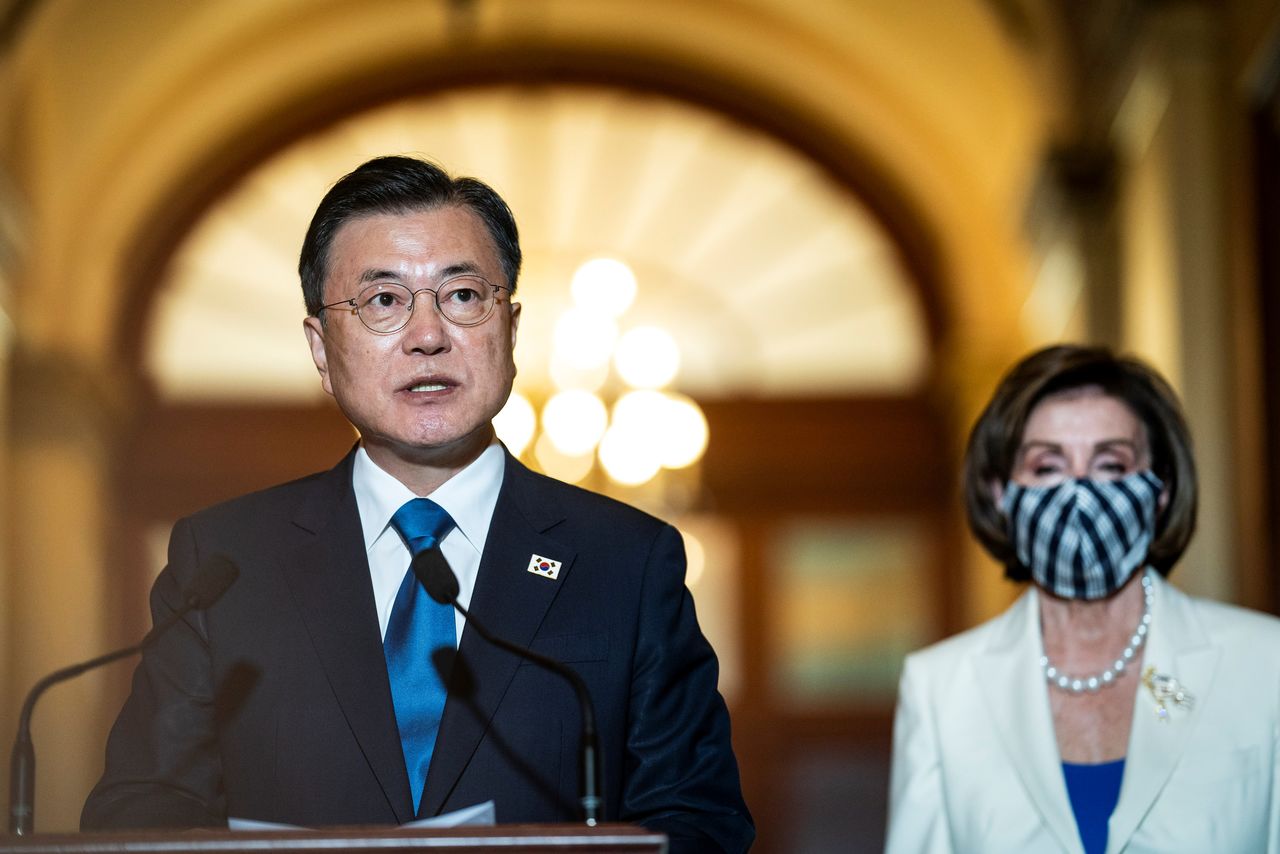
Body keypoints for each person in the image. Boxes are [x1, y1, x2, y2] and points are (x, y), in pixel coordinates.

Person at [81, 155, 754, 853]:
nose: (428, 335)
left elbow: (700, 821)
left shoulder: (627, 561)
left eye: (462, 296)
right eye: (383, 301)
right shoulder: (225, 563)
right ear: (320, 346)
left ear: (511, 329)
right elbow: (140, 810)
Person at [885, 344, 1280, 853]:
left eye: (1110, 465)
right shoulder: (941, 691)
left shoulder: (1264, 664)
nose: (1078, 492)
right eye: (1047, 467)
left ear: (1159, 490)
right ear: (1001, 493)